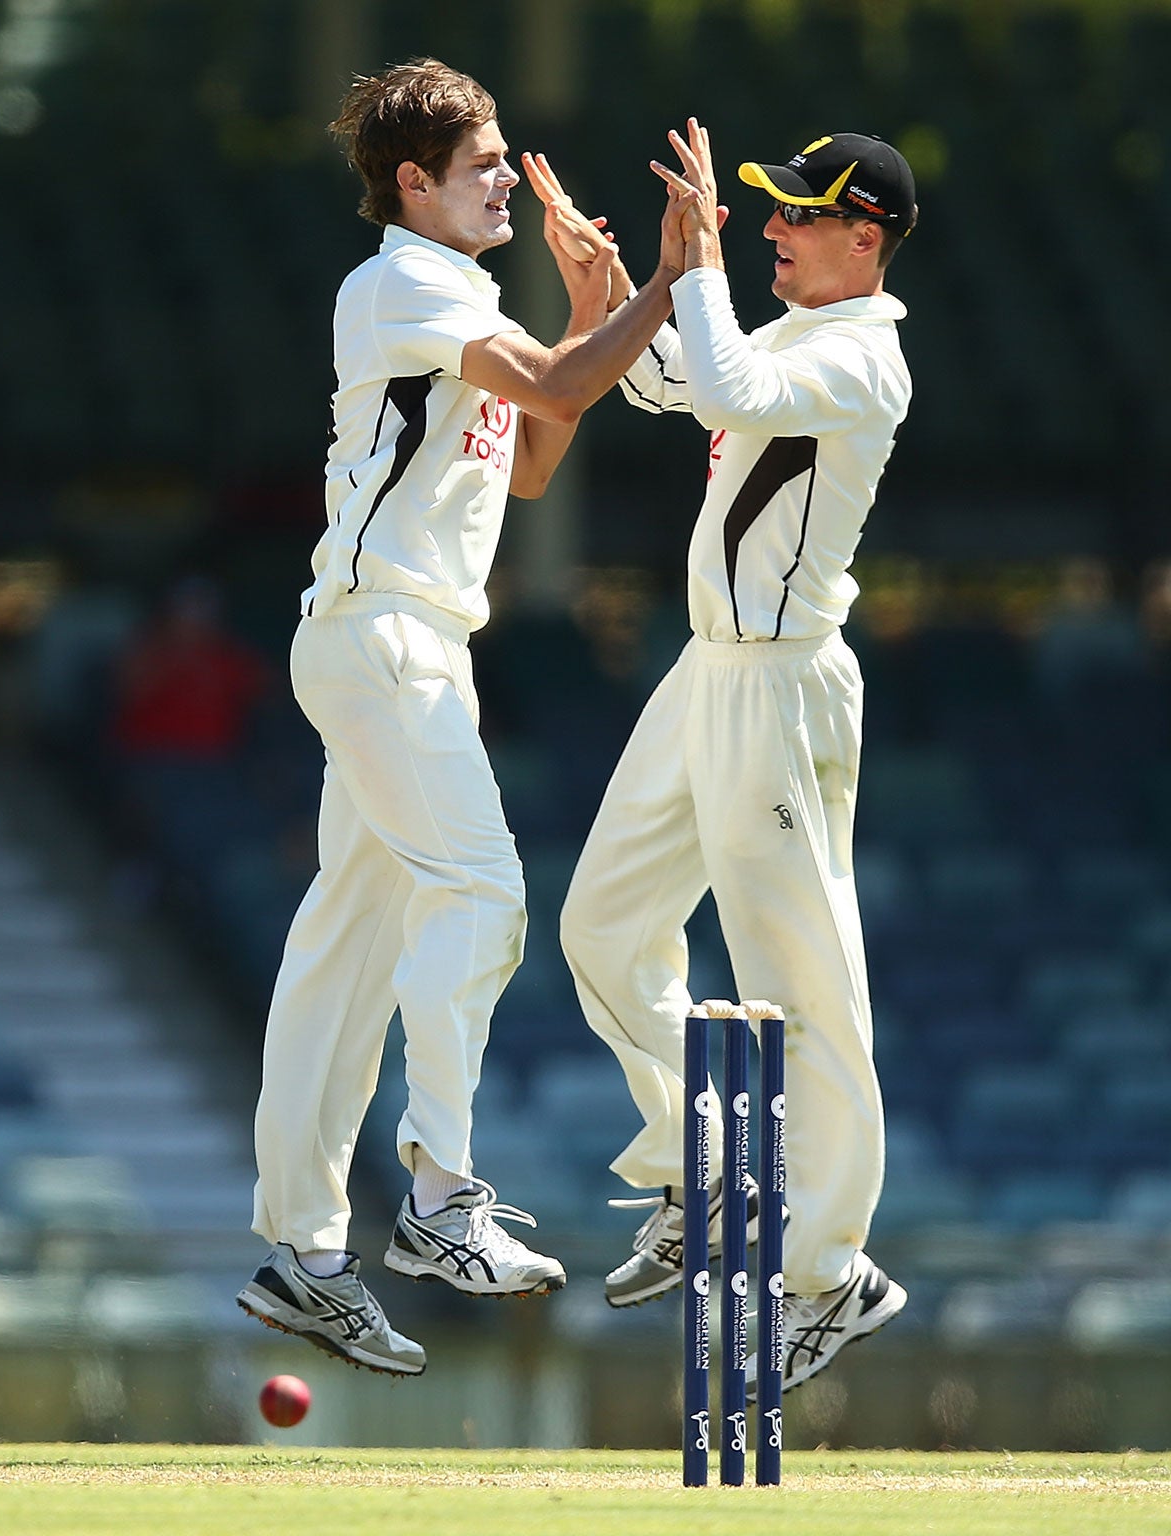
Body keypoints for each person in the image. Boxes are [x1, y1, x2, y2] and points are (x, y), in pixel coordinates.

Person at [235, 58, 690, 1376]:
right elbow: (551, 388)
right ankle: (438, 1198)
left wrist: (596, 303)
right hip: (386, 641)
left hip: (403, 644)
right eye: (480, 163)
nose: (503, 176)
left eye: (502, 157)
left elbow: (535, 453)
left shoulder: (461, 294)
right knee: (484, 896)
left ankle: (305, 1252)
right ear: (413, 184)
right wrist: (662, 284)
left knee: (346, 949)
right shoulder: (401, 285)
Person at [558, 123, 918, 1392]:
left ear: (861, 238)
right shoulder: (784, 338)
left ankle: (828, 1273)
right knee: (599, 925)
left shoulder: (865, 361)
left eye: (795, 216)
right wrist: (613, 286)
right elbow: (671, 385)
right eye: (758, 214)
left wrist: (699, 260)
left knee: (799, 983)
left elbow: (727, 393)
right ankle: (699, 1169)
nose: (768, 229)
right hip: (706, 671)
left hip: (779, 682)